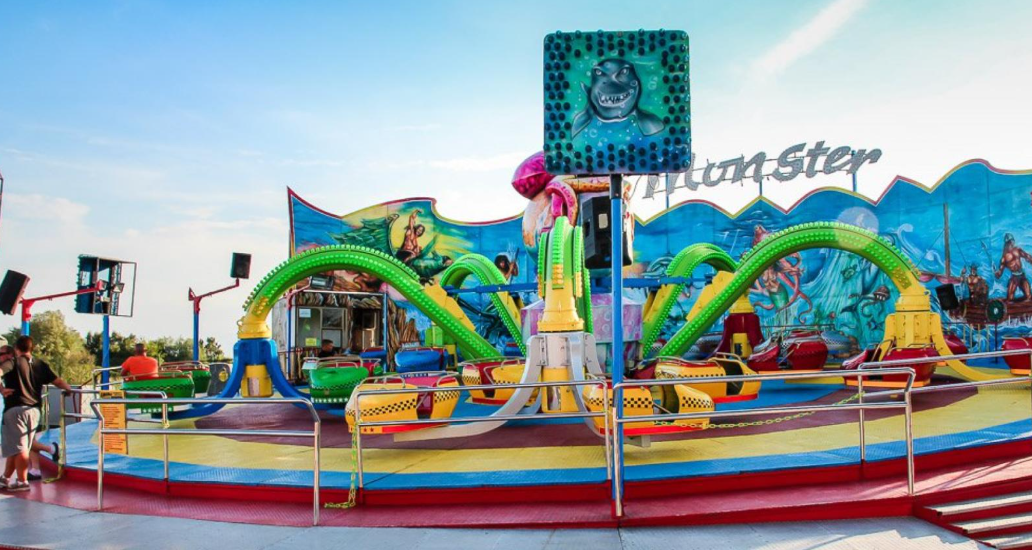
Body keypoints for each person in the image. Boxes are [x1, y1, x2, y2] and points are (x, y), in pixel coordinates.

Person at [2, 336, 70, 492]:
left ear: (16, 349)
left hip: (15, 409)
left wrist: (2, 389)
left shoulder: (12, 363)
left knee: (21, 448)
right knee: (22, 445)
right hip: (34, 410)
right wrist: (69, 389)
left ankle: (22, 481)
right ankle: (6, 478)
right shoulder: (40, 365)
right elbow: (58, 381)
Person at [995, 233, 1032, 302]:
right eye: (1010, 241)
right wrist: (997, 273)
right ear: (1007, 243)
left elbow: (1027, 257)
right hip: (1014, 277)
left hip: (1022, 275)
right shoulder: (1004, 258)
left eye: (1012, 241)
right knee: (1010, 299)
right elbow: (999, 273)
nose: (1012, 243)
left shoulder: (1017, 250)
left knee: (1029, 296)